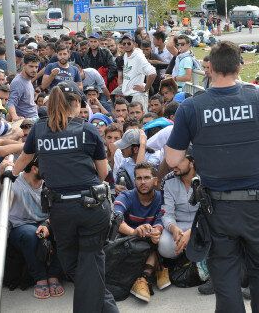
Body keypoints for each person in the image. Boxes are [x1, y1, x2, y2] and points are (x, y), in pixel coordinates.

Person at [164, 41, 259, 312]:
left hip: (217, 209)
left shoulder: (191, 107)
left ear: (209, 68)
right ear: (239, 66)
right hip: (258, 206)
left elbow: (172, 160)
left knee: (224, 275)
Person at [12, 86, 119, 313]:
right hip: (90, 207)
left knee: (78, 265)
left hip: (63, 210)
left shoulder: (39, 129)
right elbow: (102, 173)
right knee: (87, 267)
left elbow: (22, 161)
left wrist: (7, 172)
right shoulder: (87, 130)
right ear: (78, 105)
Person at [8, 156, 64, 299]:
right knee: (30, 234)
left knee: (65, 230)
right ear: (34, 168)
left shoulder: (51, 182)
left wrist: (46, 225)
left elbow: (60, 211)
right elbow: (0, 194)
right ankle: (40, 277)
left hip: (47, 222)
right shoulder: (15, 182)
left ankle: (53, 275)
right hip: (20, 226)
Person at [114, 162, 169, 302]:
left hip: (149, 242)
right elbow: (116, 218)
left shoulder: (161, 198)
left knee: (159, 239)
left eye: (147, 177)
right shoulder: (126, 196)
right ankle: (157, 269)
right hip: (129, 241)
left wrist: (156, 231)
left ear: (155, 180)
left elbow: (161, 220)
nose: (142, 182)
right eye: (138, 178)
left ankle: (144, 278)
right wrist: (134, 232)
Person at [159, 148, 198, 261]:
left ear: (191, 162)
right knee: (164, 247)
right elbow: (166, 213)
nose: (174, 165)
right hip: (178, 224)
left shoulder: (206, 177)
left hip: (202, 225)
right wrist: (173, 228)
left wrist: (193, 232)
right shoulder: (167, 180)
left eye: (179, 161)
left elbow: (210, 212)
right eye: (172, 160)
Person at [120, 33, 157, 111]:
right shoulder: (126, 55)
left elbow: (152, 73)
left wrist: (145, 88)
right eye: (124, 43)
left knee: (139, 121)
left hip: (137, 97)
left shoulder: (138, 57)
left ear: (134, 44)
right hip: (128, 96)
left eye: (129, 43)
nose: (126, 45)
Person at [8, 54, 39, 120]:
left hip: (34, 116)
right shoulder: (18, 82)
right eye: (31, 66)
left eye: (36, 67)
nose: (34, 70)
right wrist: (15, 117)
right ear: (24, 65)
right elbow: (11, 103)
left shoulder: (28, 79)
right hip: (28, 120)